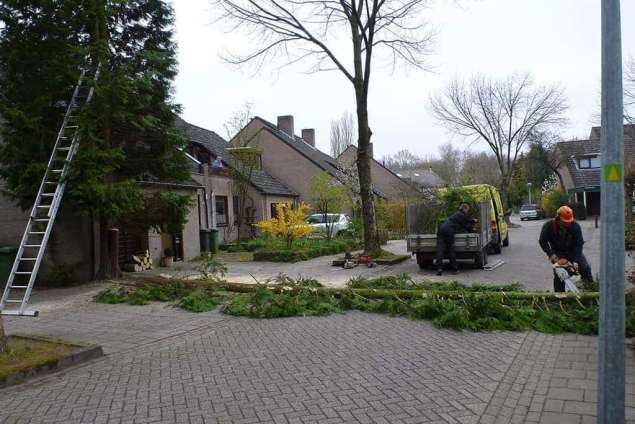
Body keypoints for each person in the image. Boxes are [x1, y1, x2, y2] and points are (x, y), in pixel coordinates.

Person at [539, 205, 593, 292]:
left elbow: (579, 244)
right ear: (558, 218)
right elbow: (542, 241)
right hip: (557, 252)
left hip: (573, 251)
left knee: (585, 267)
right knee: (560, 274)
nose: (568, 224)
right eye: (565, 222)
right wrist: (551, 254)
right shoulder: (549, 226)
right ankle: (559, 295)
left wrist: (575, 260)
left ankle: (591, 290)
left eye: (569, 222)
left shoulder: (575, 226)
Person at [436, 203, 477, 276]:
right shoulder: (461, 214)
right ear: (465, 209)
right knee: (451, 250)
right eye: (467, 210)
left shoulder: (456, 214)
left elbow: (465, 222)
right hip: (448, 231)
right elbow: (466, 224)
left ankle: (439, 269)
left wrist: (472, 222)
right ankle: (454, 269)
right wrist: (473, 229)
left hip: (441, 230)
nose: (467, 211)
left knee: (440, 250)